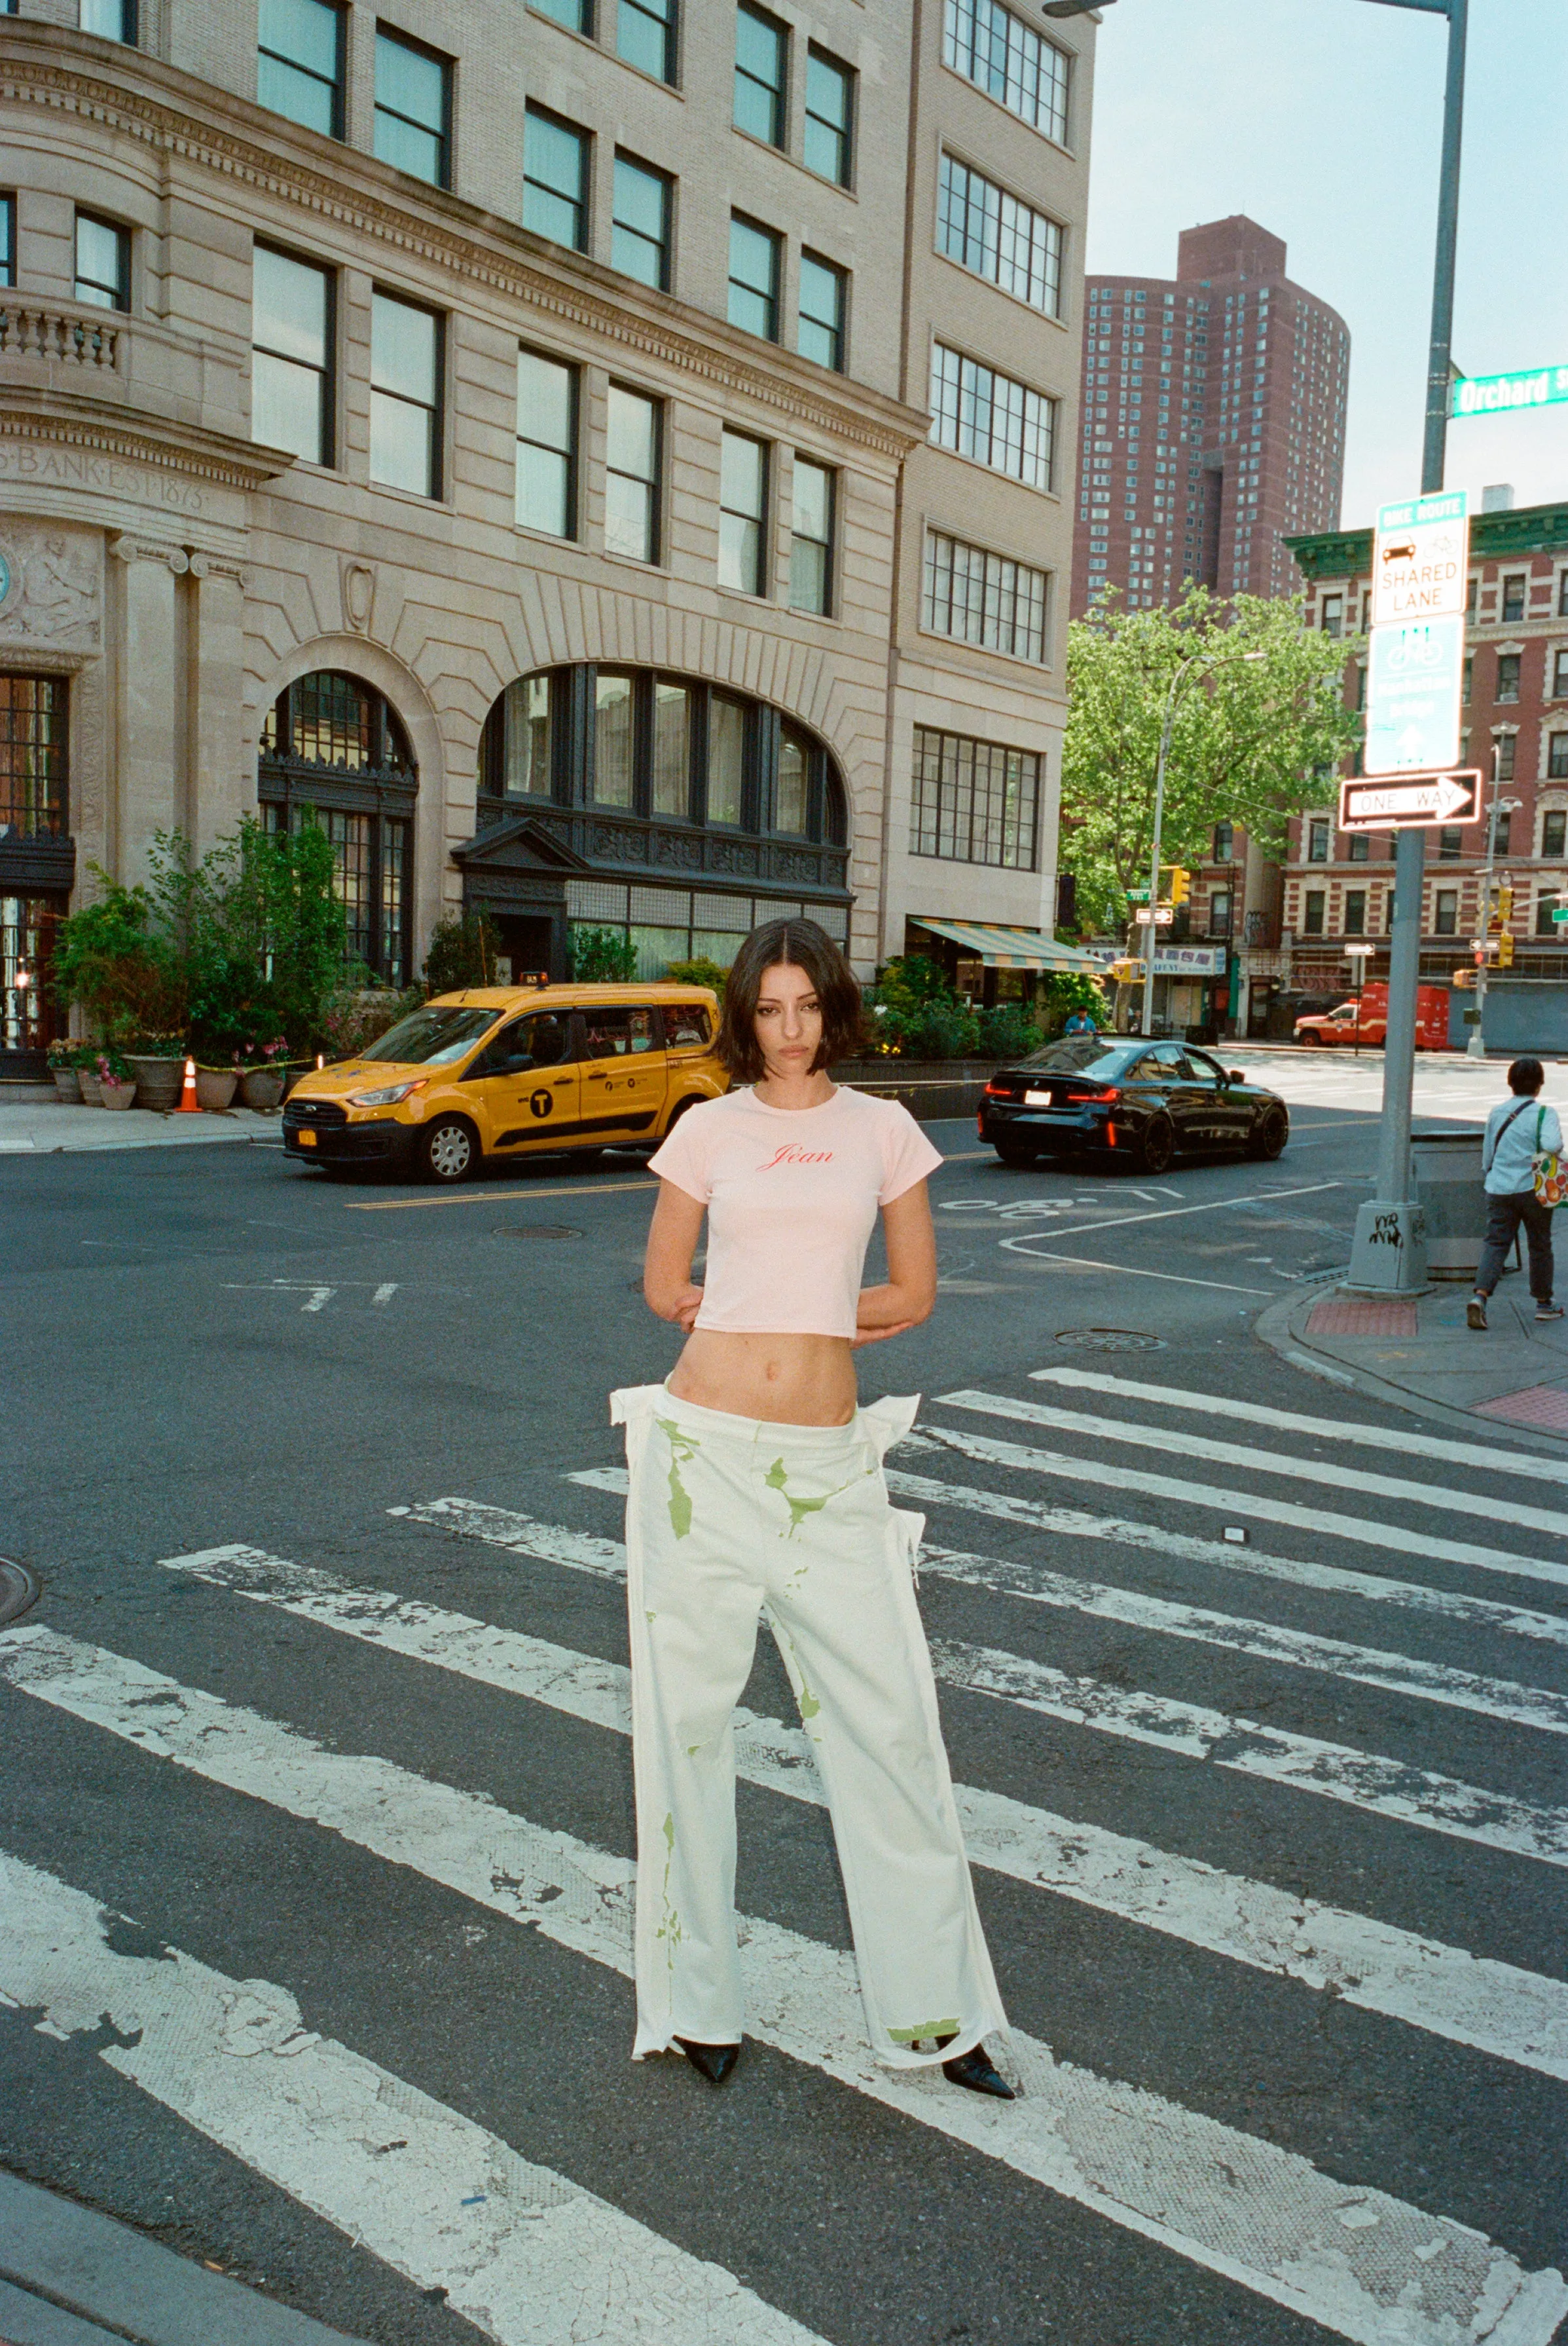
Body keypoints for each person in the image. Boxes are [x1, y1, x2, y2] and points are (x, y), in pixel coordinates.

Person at [616, 917, 1012, 2097]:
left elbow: (919, 1292)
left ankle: (941, 2018)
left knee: (893, 1734)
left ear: (834, 1010)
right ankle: (696, 2006)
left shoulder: (884, 1131)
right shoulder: (707, 1130)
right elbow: (659, 1282)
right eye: (769, 1009)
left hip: (830, 1471)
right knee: (684, 1734)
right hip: (701, 1460)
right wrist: (733, 1317)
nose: (789, 1030)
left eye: (807, 1006)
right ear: (747, 1018)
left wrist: (815, 1313)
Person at [1468, 1055, 1563, 1330]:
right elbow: (1553, 1144)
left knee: (1496, 1243)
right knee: (1540, 1245)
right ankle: (1544, 1304)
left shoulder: (1497, 1113)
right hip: (1533, 1188)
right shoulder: (1545, 1114)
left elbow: (1488, 1155)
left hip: (1499, 1188)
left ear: (1510, 1083)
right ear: (1539, 1085)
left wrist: (1493, 1176)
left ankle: (1480, 1297)